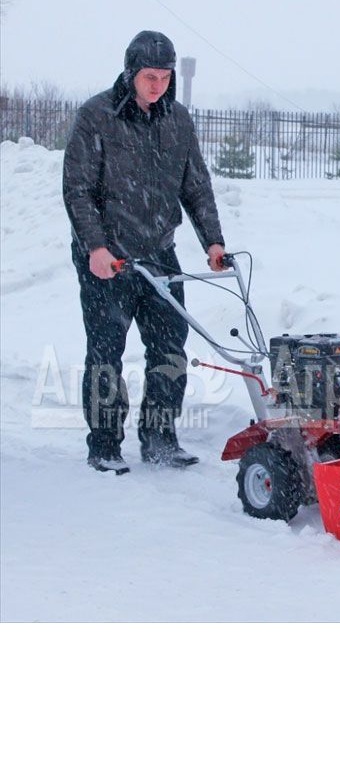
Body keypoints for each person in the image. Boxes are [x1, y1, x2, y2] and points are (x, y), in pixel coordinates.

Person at [63, 30, 226, 474]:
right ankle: (104, 445)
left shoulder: (178, 120)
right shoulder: (97, 115)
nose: (158, 85)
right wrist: (95, 247)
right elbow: (77, 190)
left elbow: (196, 185)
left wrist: (213, 241)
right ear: (131, 72)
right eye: (150, 77)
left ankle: (159, 439)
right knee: (106, 351)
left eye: (165, 77)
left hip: (158, 252)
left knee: (169, 347)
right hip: (109, 257)